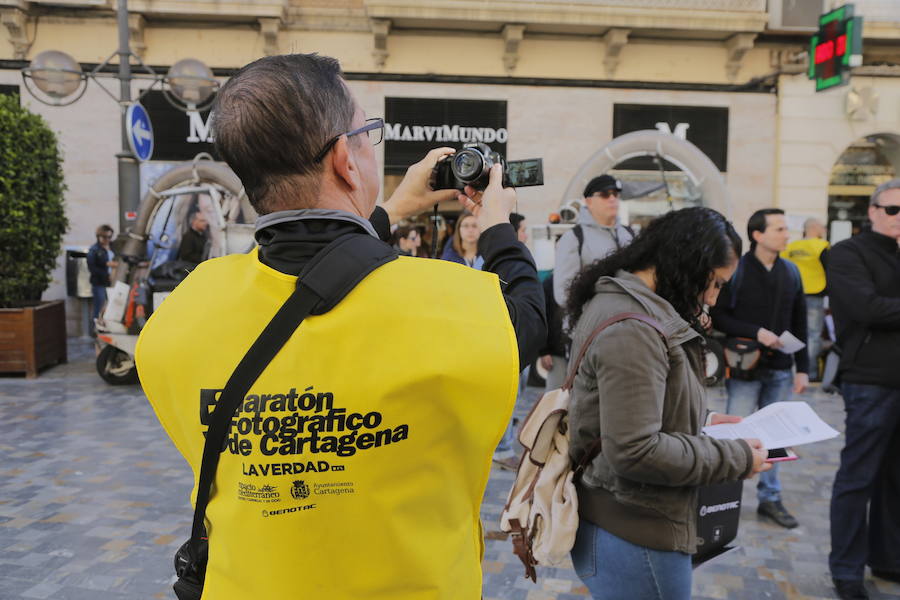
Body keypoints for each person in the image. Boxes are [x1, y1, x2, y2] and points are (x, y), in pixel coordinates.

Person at [135, 53, 545, 600]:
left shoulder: (182, 312)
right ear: (344, 160)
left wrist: (393, 208)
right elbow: (531, 316)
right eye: (367, 135)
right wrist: (497, 223)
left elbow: (322, 260)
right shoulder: (457, 303)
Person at [565, 207, 770, 600]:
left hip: (625, 523)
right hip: (636, 530)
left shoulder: (630, 305)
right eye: (713, 284)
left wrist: (704, 419)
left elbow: (632, 405)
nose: (712, 299)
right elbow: (636, 450)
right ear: (685, 265)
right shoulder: (634, 328)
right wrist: (737, 457)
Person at [709, 208, 808, 529]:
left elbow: (801, 322)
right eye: (779, 228)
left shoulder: (791, 272)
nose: (786, 234)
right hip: (744, 368)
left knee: (777, 437)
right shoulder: (736, 272)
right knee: (732, 434)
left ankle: (771, 498)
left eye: (785, 228)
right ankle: (722, 494)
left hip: (781, 368)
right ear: (757, 234)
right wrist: (757, 333)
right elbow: (719, 317)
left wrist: (803, 369)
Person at [827, 179, 900, 600]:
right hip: (869, 382)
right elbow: (866, 308)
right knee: (858, 478)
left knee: (897, 480)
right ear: (872, 211)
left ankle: (890, 558)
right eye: (892, 209)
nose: (898, 218)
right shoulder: (847, 253)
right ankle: (847, 570)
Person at [552, 174, 634, 308]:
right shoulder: (574, 237)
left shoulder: (630, 234)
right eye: (605, 194)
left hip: (628, 320)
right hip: (590, 324)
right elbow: (563, 293)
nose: (612, 199)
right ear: (589, 201)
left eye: (615, 194)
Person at [781, 217, 830, 380]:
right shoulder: (821, 245)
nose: (824, 230)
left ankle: (791, 370)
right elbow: (830, 269)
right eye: (823, 227)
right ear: (815, 228)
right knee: (813, 335)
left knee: (792, 332)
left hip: (792, 294)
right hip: (814, 293)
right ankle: (810, 373)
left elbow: (783, 268)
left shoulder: (791, 247)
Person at [86, 224, 116, 330]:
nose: (107, 239)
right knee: (99, 307)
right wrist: (107, 267)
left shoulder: (113, 246)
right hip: (99, 282)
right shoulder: (94, 250)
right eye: (104, 237)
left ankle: (105, 328)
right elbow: (92, 268)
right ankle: (95, 330)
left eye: (109, 237)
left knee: (110, 307)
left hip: (112, 282)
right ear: (99, 236)